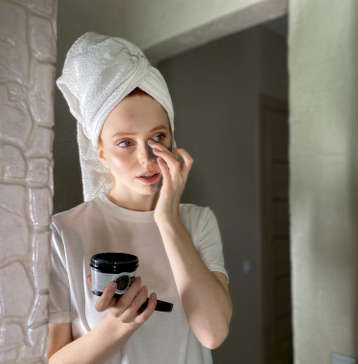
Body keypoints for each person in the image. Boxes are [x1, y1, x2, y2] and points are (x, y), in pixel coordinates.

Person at [48, 32, 232, 364]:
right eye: (125, 143)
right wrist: (118, 326)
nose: (147, 159)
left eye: (158, 137)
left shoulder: (197, 221)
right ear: (100, 150)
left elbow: (213, 333)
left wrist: (167, 219)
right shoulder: (64, 232)